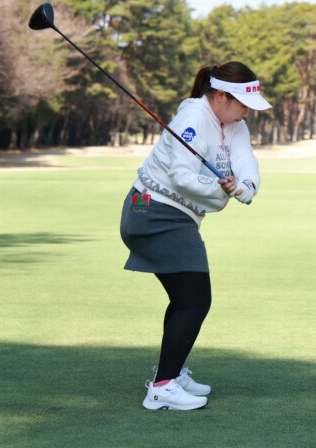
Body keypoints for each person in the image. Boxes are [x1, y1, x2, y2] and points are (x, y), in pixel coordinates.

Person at [119, 61, 272, 411]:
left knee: (185, 298)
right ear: (221, 96)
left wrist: (245, 187)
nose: (247, 112)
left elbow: (245, 158)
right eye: (243, 104)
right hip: (153, 212)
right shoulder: (192, 119)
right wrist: (221, 191)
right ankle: (161, 389)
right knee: (195, 299)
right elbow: (181, 175)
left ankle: (169, 372)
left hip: (173, 216)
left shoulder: (233, 123)